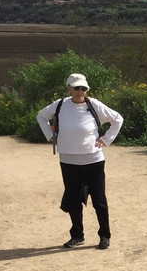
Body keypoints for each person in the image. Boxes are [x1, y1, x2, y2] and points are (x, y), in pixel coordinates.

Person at [36, 73, 124, 250]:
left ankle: (105, 235)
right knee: (73, 199)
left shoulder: (93, 105)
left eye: (83, 88)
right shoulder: (60, 105)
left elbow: (117, 119)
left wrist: (106, 140)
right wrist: (50, 136)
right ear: (69, 88)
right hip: (68, 160)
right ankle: (77, 235)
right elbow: (41, 116)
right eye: (76, 88)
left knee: (99, 199)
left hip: (93, 159)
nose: (80, 91)